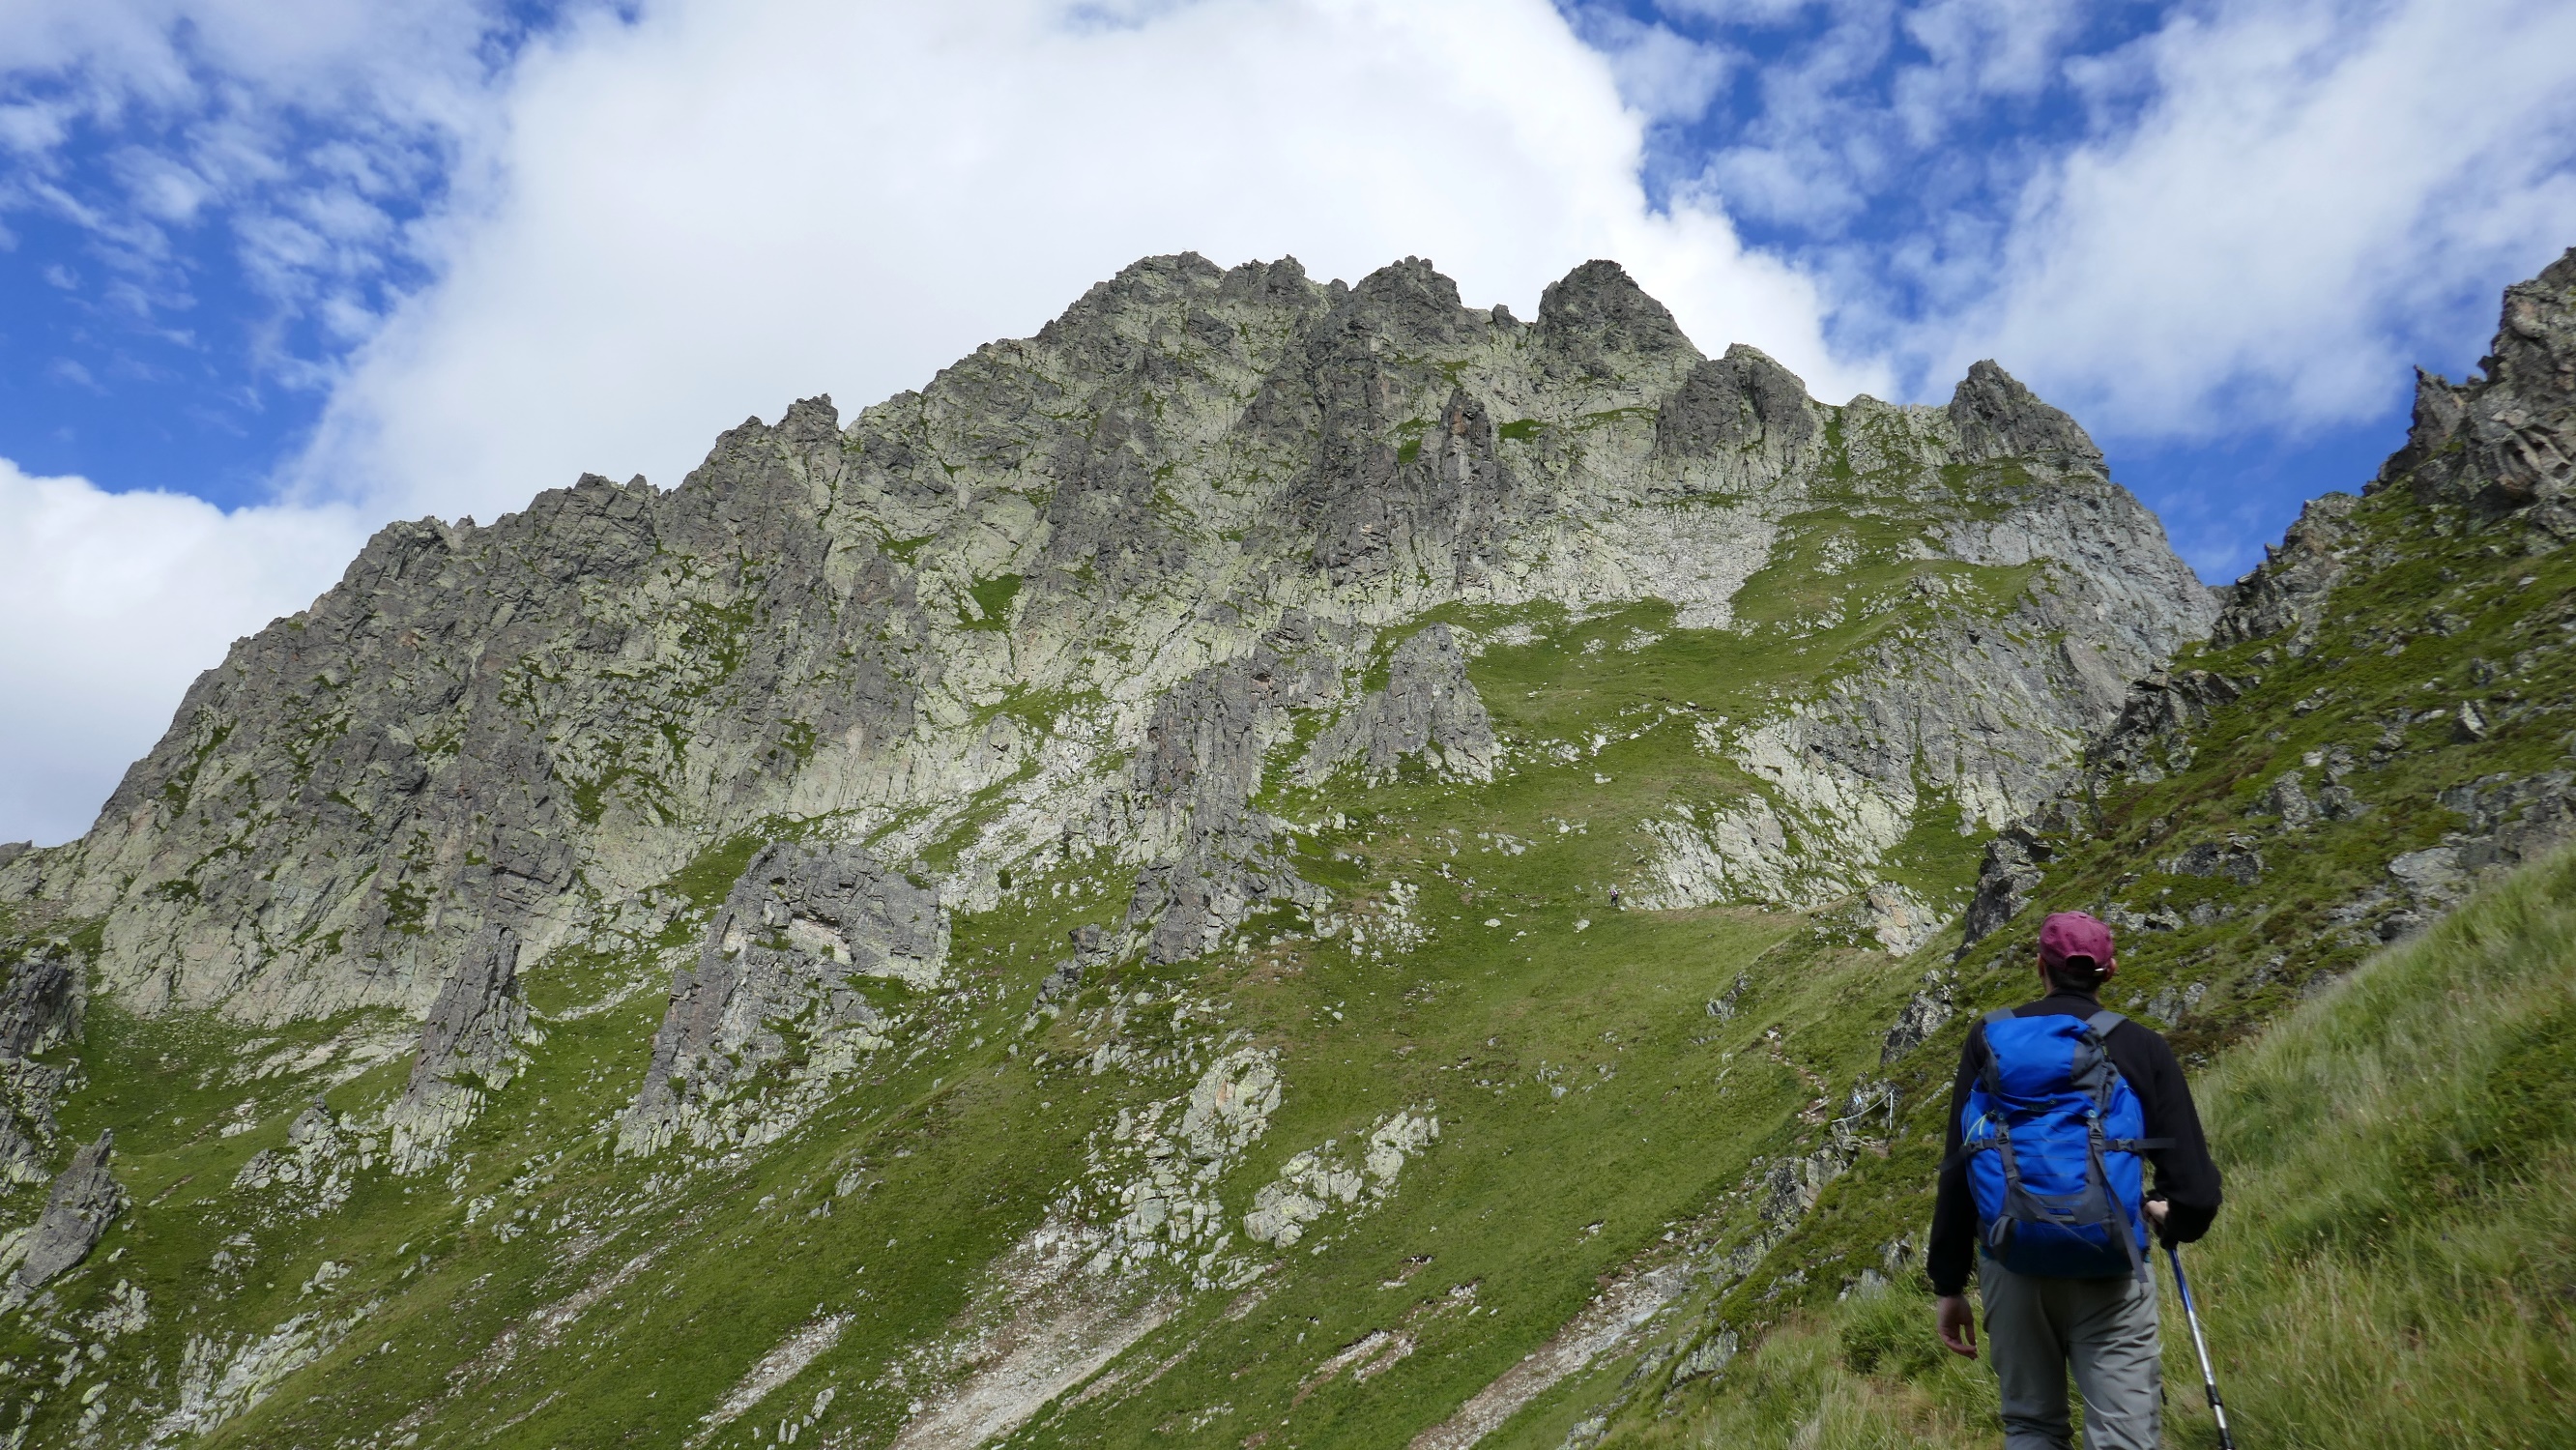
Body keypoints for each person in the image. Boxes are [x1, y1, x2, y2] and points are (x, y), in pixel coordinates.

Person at [1928, 911, 2223, 1450]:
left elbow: (1960, 1163)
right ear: (2109, 972)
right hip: (2111, 1262)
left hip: (2012, 1262)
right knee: (2122, 1433)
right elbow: (2197, 1194)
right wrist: (2168, 1217)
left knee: (2032, 1427)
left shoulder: (1988, 1038)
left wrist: (1948, 1284)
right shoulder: (2141, 1047)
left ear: (2040, 966)